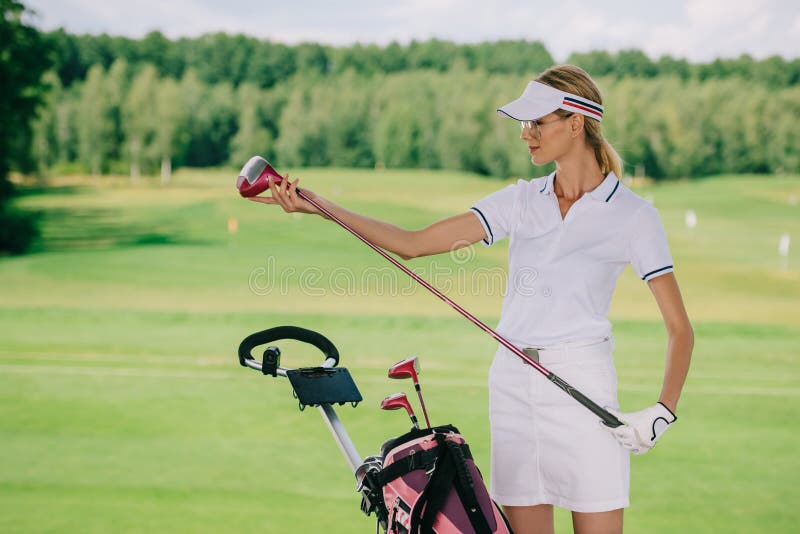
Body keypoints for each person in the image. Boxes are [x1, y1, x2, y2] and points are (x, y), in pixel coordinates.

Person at [249, 64, 693, 534]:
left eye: (537, 123)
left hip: (585, 387)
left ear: (576, 123)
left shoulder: (633, 215)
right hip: (514, 387)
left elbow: (679, 328)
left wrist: (662, 412)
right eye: (523, 124)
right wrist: (317, 205)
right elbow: (413, 243)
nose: (526, 135)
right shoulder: (521, 200)